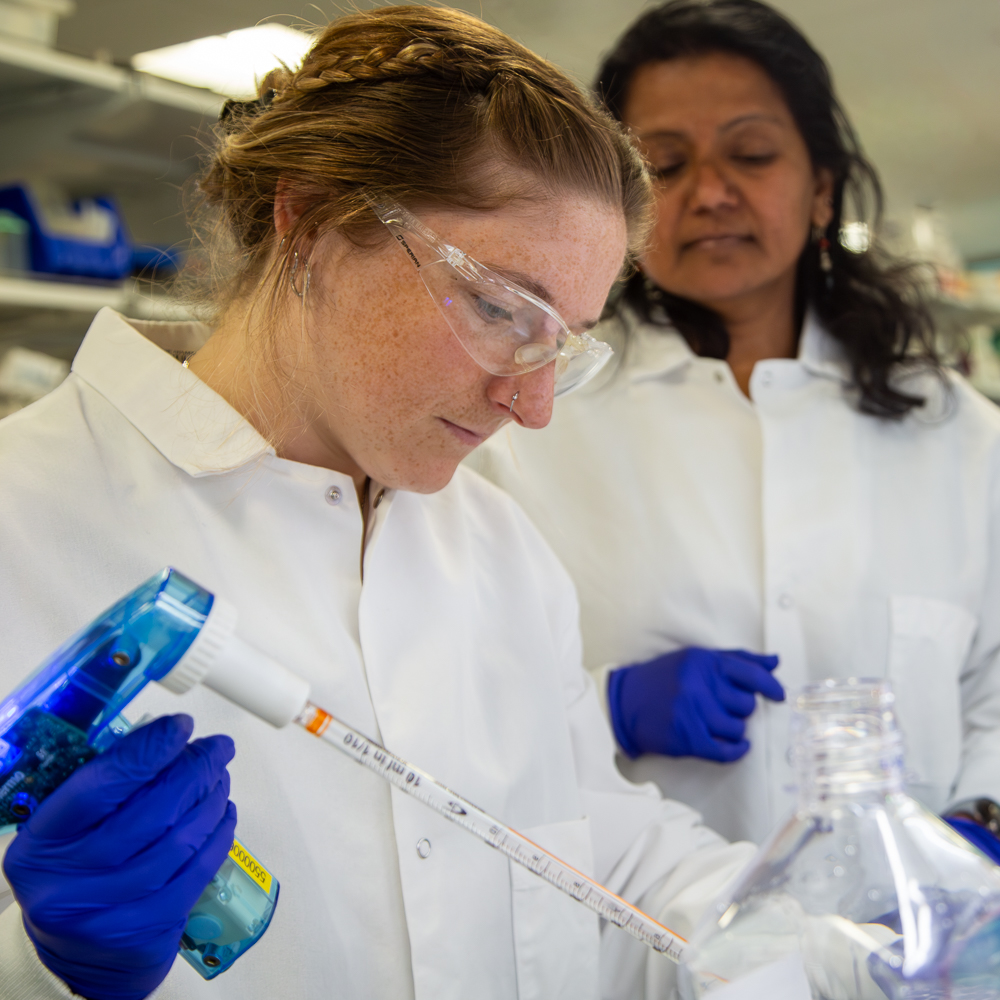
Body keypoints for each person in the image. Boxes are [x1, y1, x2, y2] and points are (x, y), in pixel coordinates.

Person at [0, 8, 756, 1000]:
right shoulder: (25, 517)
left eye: (561, 343)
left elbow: (595, 852)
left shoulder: (498, 546)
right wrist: (45, 969)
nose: (531, 405)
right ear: (310, 217)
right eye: (499, 307)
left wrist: (822, 940)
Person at [474, 0, 1000, 850]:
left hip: (914, 952)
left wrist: (985, 825)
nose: (713, 193)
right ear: (624, 208)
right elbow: (446, 679)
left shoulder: (957, 434)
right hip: (642, 950)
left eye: (751, 155)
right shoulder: (528, 417)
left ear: (822, 189)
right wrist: (601, 705)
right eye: (666, 165)